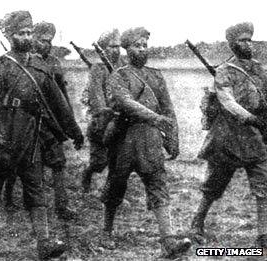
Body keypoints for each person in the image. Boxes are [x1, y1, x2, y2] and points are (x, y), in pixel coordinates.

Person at [0, 10, 83, 260]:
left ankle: (44, 242)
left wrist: (74, 130)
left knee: (35, 187)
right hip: (4, 134)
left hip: (31, 137)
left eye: (29, 32)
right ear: (10, 37)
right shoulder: (0, 66)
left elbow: (58, 103)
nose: (26, 37)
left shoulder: (40, 67)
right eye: (21, 33)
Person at [102, 27, 190, 258]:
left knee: (158, 184)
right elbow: (125, 102)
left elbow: (168, 109)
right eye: (136, 46)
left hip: (150, 139)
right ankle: (107, 231)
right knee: (116, 184)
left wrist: (173, 138)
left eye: (144, 45)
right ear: (126, 49)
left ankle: (168, 240)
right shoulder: (119, 75)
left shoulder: (156, 75)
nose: (142, 50)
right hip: (124, 138)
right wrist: (155, 117)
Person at [191, 22, 267, 250]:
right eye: (243, 41)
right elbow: (228, 102)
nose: (248, 44)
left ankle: (263, 234)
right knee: (213, 186)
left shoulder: (259, 69)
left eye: (249, 40)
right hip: (227, 138)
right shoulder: (224, 71)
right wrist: (252, 119)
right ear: (232, 45)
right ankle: (197, 222)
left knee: (263, 186)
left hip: (254, 139)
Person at [2, 21, 83, 220]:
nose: (45, 45)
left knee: (57, 162)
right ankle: (8, 198)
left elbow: (61, 97)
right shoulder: (17, 62)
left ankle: (62, 207)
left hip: (49, 122)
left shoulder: (54, 63)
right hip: (23, 120)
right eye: (41, 40)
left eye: (49, 41)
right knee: (15, 161)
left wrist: (72, 128)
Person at [80, 29, 126, 193]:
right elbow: (96, 97)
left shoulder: (123, 68)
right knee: (99, 162)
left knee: (116, 159)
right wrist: (108, 112)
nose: (116, 50)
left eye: (118, 47)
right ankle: (87, 174)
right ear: (104, 49)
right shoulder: (97, 69)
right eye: (112, 46)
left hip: (119, 120)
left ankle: (109, 191)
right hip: (101, 122)